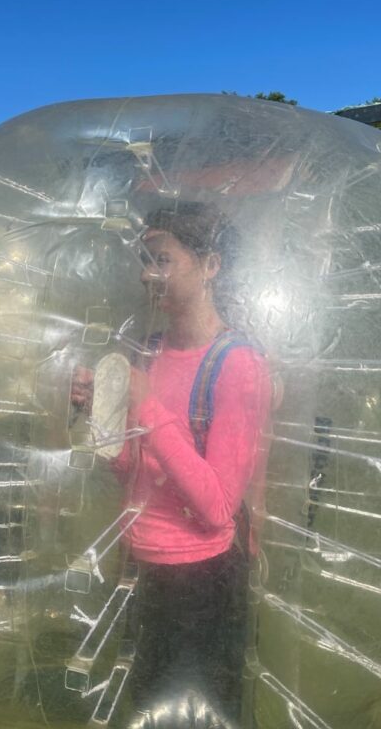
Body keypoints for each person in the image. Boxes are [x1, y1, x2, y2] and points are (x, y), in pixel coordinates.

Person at [75, 199, 271, 727]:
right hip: (141, 568)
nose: (146, 274)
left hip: (201, 583)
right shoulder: (151, 351)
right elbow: (135, 471)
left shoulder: (238, 366)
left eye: (162, 259)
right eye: (144, 259)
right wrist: (98, 413)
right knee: (146, 708)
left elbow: (217, 507)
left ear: (210, 266)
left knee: (198, 714)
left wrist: (146, 408)